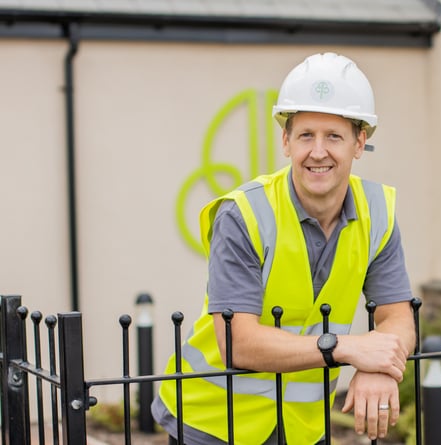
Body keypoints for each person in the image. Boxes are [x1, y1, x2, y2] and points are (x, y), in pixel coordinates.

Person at [152, 52, 416, 445]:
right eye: (306, 135)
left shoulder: (378, 213)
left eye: (334, 136)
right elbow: (237, 343)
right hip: (212, 422)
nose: (318, 151)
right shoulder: (244, 214)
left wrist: (381, 368)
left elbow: (398, 317)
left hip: (302, 428)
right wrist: (347, 349)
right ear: (286, 140)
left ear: (360, 143)